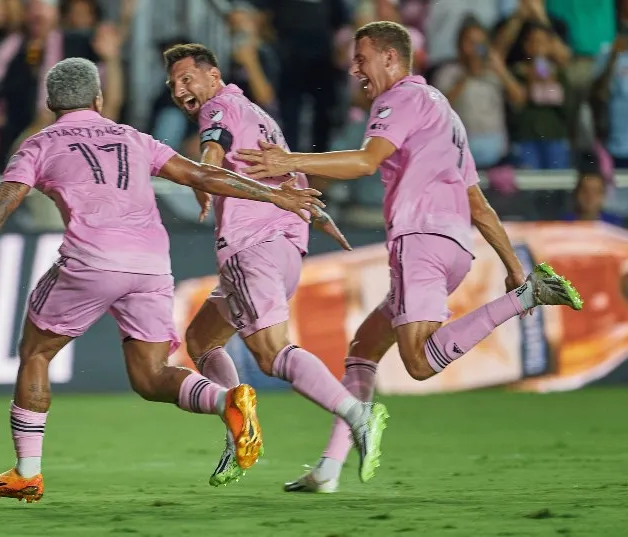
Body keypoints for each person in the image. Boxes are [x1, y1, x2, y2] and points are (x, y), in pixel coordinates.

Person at [0, 57, 326, 503]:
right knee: (151, 376)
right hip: (151, 265)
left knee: (36, 351)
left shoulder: (39, 144)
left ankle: (27, 473)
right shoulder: (132, 137)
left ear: (50, 103)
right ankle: (227, 403)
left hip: (92, 259)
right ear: (98, 99)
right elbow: (203, 175)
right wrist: (276, 193)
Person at [236, 21, 584, 493]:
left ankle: (526, 299)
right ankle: (329, 470)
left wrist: (289, 161)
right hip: (454, 246)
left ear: (390, 59)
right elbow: (477, 202)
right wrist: (512, 263)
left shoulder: (397, 99)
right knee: (362, 350)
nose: (354, 67)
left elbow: (365, 161)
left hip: (420, 241)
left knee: (418, 362)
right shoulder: (443, 111)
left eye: (361, 58)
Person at [163, 43, 387, 488]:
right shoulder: (256, 113)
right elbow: (289, 176)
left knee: (271, 353)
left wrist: (202, 177)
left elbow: (212, 150)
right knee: (201, 338)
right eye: (173, 85)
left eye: (187, 78)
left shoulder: (219, 109)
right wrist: (322, 218)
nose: (180, 89)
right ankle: (239, 427)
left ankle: (355, 413)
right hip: (281, 247)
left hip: (253, 247)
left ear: (213, 75)